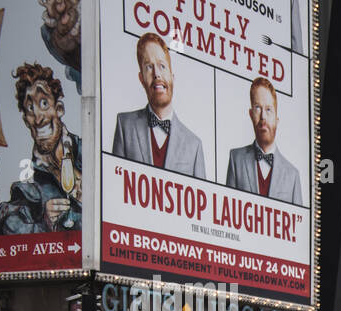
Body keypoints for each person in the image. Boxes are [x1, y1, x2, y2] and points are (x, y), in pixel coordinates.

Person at [0, 62, 82, 235]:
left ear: (59, 109)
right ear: (26, 121)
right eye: (31, 108)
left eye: (44, 103)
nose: (38, 118)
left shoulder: (86, 152)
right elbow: (1, 221)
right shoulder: (30, 181)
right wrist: (44, 223)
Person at [111, 33, 207, 177]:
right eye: (149, 67)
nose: (157, 74)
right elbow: (115, 185)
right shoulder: (125, 125)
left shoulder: (194, 145)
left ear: (172, 77)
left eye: (162, 66)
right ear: (141, 78)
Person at [225, 78, 304, 203]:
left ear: (276, 119)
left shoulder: (292, 175)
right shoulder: (236, 159)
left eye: (268, 109)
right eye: (257, 108)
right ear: (251, 115)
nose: (263, 116)